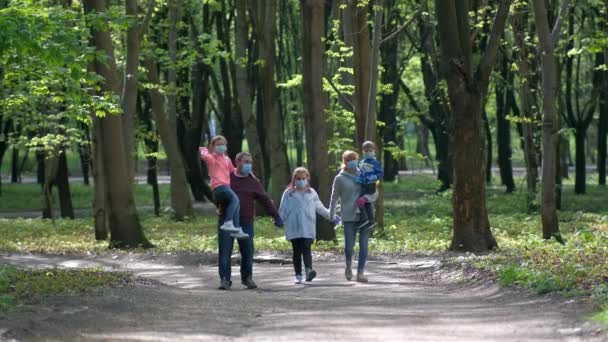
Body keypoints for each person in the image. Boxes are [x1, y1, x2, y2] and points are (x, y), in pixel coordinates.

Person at [216, 152, 284, 290]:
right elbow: (216, 192)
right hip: (227, 222)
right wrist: (218, 205)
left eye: (250, 162)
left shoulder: (253, 181)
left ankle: (247, 278)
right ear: (237, 162)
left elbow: (264, 200)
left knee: (247, 251)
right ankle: (225, 280)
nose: (248, 165)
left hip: (246, 222)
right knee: (225, 252)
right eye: (246, 162)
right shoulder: (227, 178)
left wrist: (276, 216)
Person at [279, 167, 340, 284]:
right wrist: (279, 220)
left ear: (307, 179)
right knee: (296, 251)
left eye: (303, 178)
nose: (301, 180)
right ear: (294, 179)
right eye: (298, 178)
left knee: (306, 248)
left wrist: (331, 216)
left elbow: (320, 208)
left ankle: (308, 271)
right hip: (294, 227)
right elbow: (282, 209)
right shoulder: (288, 193)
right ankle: (298, 274)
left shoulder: (312, 193)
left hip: (308, 227)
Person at [329, 150, 378, 283]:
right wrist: (331, 215)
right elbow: (334, 198)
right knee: (349, 246)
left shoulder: (364, 174)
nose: (352, 161)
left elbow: (374, 193)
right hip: (349, 215)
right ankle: (348, 265)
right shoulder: (339, 178)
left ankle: (360, 272)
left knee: (364, 245)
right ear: (344, 161)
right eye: (349, 159)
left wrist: (366, 198)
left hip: (365, 215)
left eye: (354, 158)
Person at [199, 135, 248, 239]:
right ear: (213, 146)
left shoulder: (227, 159)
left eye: (223, 144)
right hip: (218, 188)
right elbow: (204, 156)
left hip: (226, 187)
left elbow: (232, 170)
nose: (221, 146)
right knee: (235, 200)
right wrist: (203, 148)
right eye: (218, 145)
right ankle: (228, 222)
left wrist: (242, 170)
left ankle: (236, 229)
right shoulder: (211, 158)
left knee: (236, 205)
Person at [356, 141, 384, 231]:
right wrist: (359, 178)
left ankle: (365, 219)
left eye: (370, 150)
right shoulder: (361, 162)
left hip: (370, 185)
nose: (368, 152)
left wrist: (374, 177)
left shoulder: (374, 162)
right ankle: (370, 220)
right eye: (366, 151)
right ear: (363, 151)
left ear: (374, 151)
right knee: (365, 202)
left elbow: (380, 173)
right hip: (363, 184)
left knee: (360, 200)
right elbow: (360, 172)